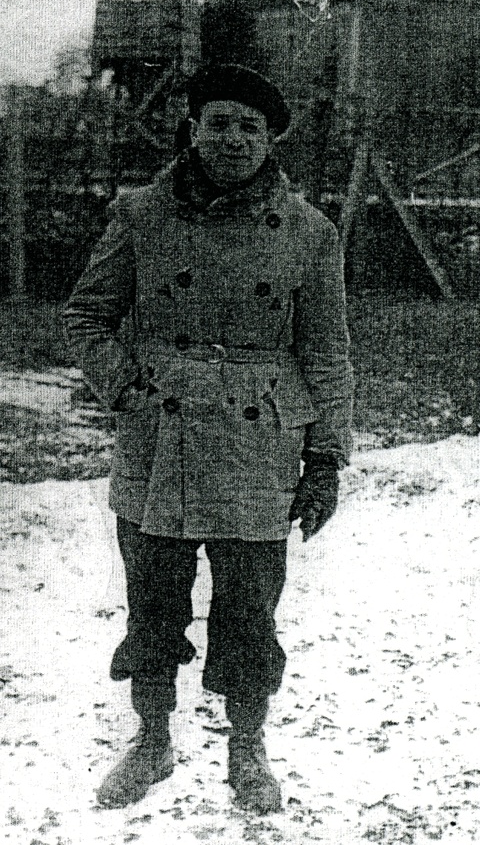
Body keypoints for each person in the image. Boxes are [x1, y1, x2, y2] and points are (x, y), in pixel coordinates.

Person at [64, 64, 353, 814]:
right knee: (152, 599)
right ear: (191, 129)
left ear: (270, 141)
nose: (233, 139)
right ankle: (152, 740)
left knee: (250, 610)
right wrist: (126, 389)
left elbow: (326, 352)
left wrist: (325, 458)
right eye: (218, 122)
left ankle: (247, 747)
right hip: (157, 438)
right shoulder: (140, 214)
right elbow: (85, 317)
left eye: (250, 127)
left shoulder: (309, 231)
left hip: (258, 448)